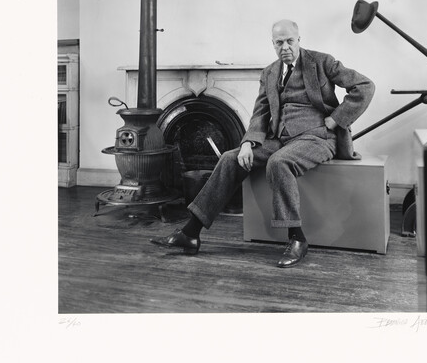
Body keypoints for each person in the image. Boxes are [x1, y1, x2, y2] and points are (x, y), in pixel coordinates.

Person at [151, 19, 375, 267]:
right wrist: (247, 143)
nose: (285, 47)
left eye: (290, 41)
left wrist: (336, 120)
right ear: (273, 44)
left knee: (279, 162)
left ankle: (297, 239)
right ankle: (191, 233)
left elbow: (365, 86)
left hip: (318, 137)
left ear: (299, 40)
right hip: (280, 138)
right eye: (279, 43)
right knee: (230, 158)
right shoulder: (269, 73)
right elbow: (260, 114)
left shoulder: (322, 62)